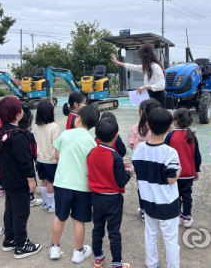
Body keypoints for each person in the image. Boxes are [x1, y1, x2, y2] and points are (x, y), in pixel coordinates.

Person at [49, 105, 100, 264]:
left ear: (78, 118)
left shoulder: (66, 134)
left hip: (62, 183)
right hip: (82, 186)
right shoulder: (92, 142)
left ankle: (54, 248)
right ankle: (78, 252)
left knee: (60, 216)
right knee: (79, 220)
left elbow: (57, 155)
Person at [132, 107, 181, 268]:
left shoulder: (139, 149)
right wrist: (179, 169)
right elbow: (172, 179)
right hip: (168, 204)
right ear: (169, 128)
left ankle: (152, 264)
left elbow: (138, 171)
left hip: (149, 203)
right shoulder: (170, 153)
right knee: (171, 241)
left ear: (148, 125)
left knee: (150, 236)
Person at [0, 97, 42, 259]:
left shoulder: (2, 131)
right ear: (17, 114)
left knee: (10, 209)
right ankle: (21, 245)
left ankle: (10, 239)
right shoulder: (19, 135)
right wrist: (31, 179)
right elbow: (25, 161)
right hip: (19, 181)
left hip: (6, 179)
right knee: (21, 212)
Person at [87, 118, 133, 268]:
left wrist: (120, 167)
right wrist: (128, 172)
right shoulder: (116, 157)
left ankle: (98, 258)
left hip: (96, 197)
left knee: (97, 228)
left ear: (97, 136)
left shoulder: (91, 153)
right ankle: (117, 262)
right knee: (114, 231)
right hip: (113, 200)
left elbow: (98, 169)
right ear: (116, 136)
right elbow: (120, 181)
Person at [164, 108, 201, 228]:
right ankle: (187, 217)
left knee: (175, 195)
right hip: (189, 172)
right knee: (187, 195)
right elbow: (197, 155)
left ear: (175, 122)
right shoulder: (192, 136)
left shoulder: (171, 135)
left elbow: (165, 153)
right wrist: (196, 170)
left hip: (174, 172)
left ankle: (177, 215)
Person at [127, 98, 161, 221]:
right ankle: (156, 208)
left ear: (141, 112)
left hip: (140, 164)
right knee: (156, 185)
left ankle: (143, 211)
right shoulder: (158, 129)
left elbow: (130, 144)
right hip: (156, 162)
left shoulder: (134, 129)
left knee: (142, 186)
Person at [32, 100, 62, 213]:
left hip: (40, 158)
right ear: (51, 112)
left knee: (43, 181)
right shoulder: (54, 127)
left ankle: (46, 202)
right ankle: (52, 205)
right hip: (51, 160)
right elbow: (58, 145)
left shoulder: (36, 126)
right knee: (51, 182)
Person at [18, 104, 43, 207]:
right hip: (28, 161)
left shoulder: (15, 133)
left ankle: (22, 198)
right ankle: (31, 198)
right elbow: (33, 149)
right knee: (30, 178)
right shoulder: (29, 134)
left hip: (17, 162)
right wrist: (36, 159)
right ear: (29, 122)